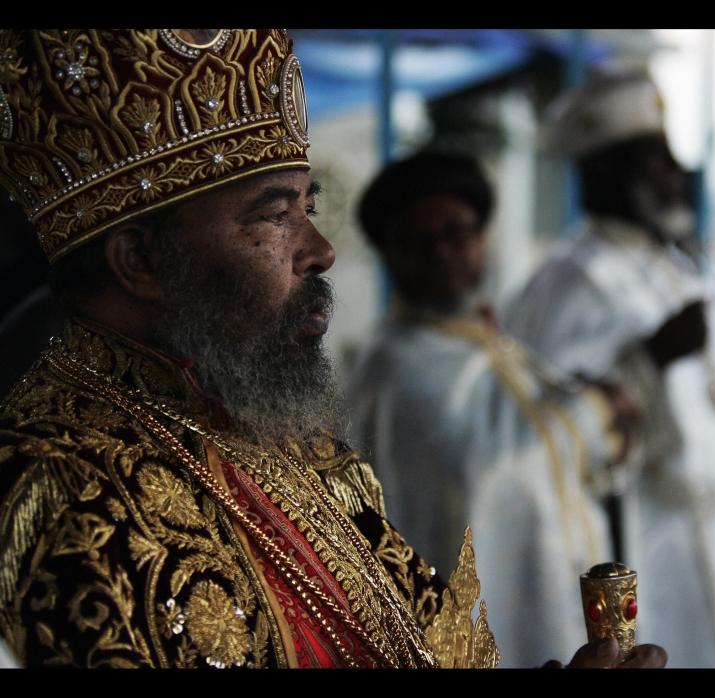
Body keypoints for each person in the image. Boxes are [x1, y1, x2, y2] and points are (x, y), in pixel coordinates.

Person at [0, 29, 666, 670]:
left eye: (308, 207)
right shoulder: (57, 503)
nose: (320, 251)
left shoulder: (292, 438)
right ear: (141, 260)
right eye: (273, 214)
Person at [505, 67, 715, 668]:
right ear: (605, 173)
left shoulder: (685, 269)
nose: (675, 174)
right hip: (659, 548)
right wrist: (650, 360)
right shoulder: (569, 284)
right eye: (653, 161)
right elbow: (552, 439)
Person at [349, 151, 639, 667]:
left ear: (482, 239)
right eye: (419, 241)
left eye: (457, 232)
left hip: (553, 582)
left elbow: (538, 432)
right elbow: (496, 463)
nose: (443, 252)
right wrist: (596, 413)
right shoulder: (392, 367)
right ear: (389, 255)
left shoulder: (485, 337)